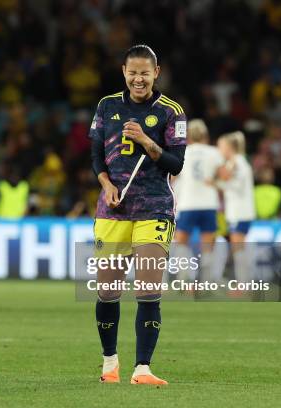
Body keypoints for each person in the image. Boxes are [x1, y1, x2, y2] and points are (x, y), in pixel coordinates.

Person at [89, 45, 186, 385]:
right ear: (124, 71)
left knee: (147, 289)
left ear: (156, 73)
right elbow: (97, 155)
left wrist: (147, 141)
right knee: (107, 291)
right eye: (133, 72)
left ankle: (142, 368)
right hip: (113, 210)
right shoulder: (107, 106)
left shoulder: (172, 112)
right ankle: (110, 363)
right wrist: (105, 184)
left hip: (155, 207)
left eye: (145, 72)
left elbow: (176, 164)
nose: (138, 78)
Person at [173, 119, 224, 282]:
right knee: (208, 245)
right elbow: (223, 176)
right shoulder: (214, 152)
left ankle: (184, 280)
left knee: (181, 242)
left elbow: (172, 177)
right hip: (209, 203)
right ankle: (207, 281)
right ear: (205, 135)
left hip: (187, 203)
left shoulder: (183, 152)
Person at [216, 131, 256, 285]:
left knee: (238, 249)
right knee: (238, 248)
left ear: (229, 148)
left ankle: (243, 283)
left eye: (221, 147)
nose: (219, 150)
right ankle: (243, 282)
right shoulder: (232, 163)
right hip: (236, 212)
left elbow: (237, 186)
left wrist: (216, 183)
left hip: (241, 212)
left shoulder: (239, 162)